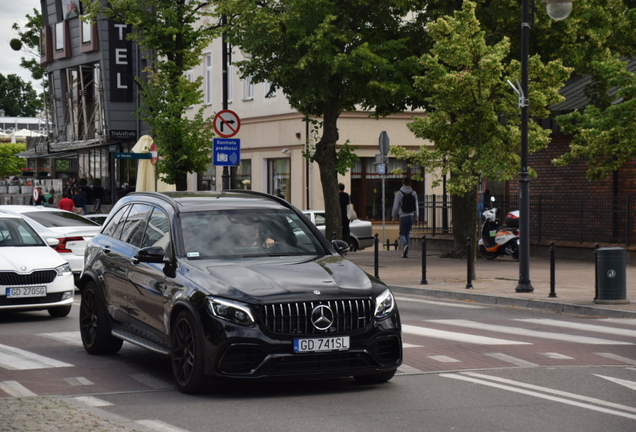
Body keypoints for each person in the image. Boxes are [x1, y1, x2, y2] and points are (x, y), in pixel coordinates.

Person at [391, 177, 419, 258]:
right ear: (410, 183)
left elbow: (396, 206)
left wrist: (393, 216)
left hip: (403, 216)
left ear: (402, 183)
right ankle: (405, 252)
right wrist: (416, 217)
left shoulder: (399, 193)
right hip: (411, 215)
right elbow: (416, 206)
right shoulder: (414, 193)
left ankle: (405, 245)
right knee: (407, 233)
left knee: (402, 233)